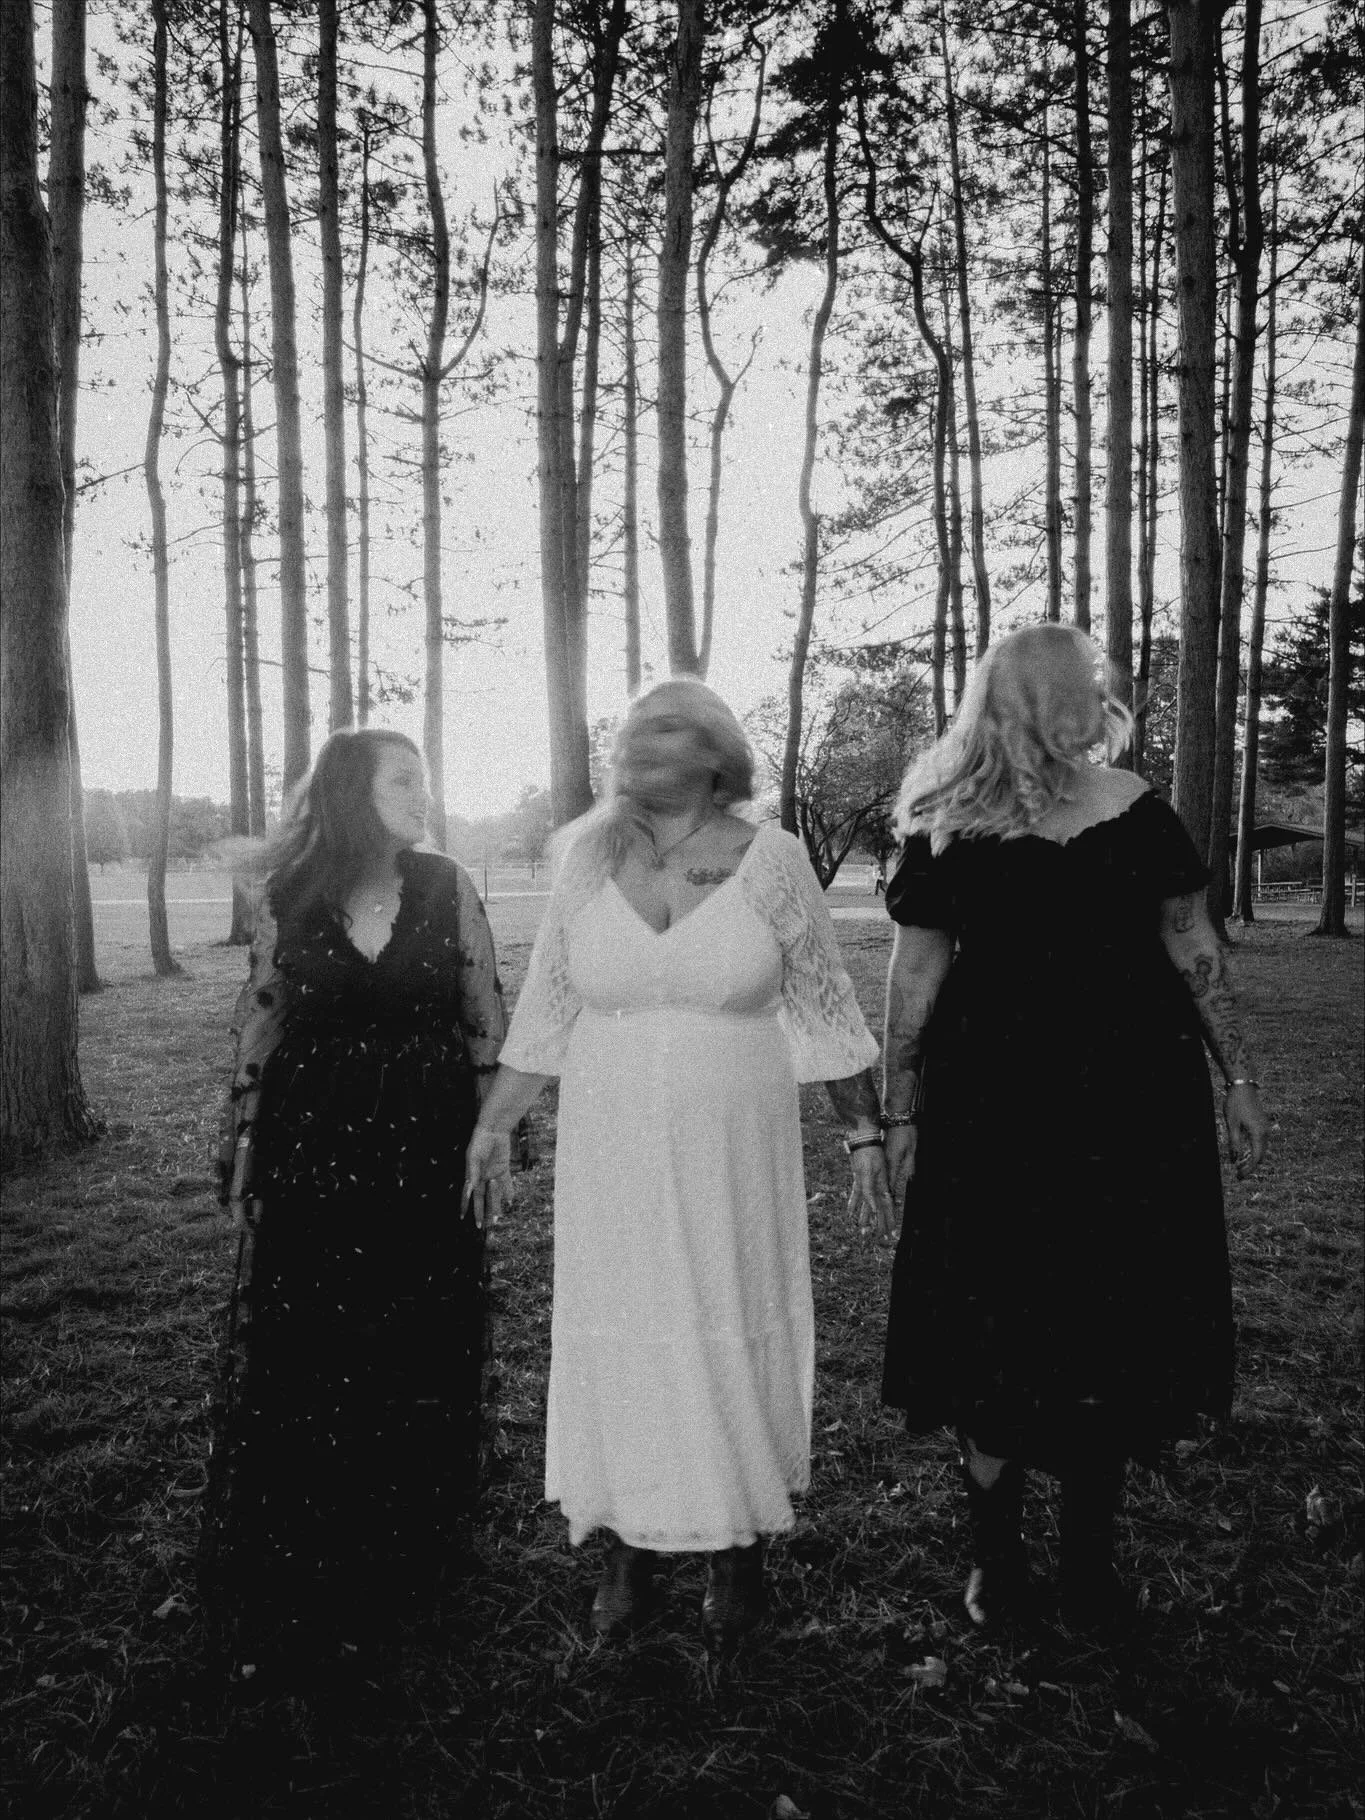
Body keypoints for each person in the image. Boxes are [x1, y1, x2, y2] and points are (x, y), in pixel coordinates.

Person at [462, 677, 895, 1653]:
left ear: (715, 751)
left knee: (724, 1312)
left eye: (667, 725)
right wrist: (494, 1126)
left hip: (734, 1136)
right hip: (610, 1135)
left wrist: (863, 1134)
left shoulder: (773, 860)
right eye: (630, 728)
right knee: (626, 1321)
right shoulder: (584, 854)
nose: (640, 742)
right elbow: (546, 1014)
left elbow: (826, 1011)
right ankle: (625, 1547)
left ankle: (736, 1542)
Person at [878, 623, 1269, 1632]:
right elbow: (916, 971)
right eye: (1072, 687)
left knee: (1109, 1322)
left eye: (1093, 688)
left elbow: (1192, 946)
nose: (1091, 703)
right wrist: (903, 1099)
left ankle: (1089, 1565)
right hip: (989, 1113)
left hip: (1128, 1107)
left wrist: (1239, 1076)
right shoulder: (947, 819)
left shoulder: (1137, 812)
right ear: (1025, 698)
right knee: (989, 1321)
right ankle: (995, 1559)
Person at [203, 728, 509, 1665]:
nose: (423, 793)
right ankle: (314, 1532)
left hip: (423, 1135)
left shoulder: (447, 882)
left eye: (426, 775)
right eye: (403, 779)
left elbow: (484, 1015)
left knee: (416, 1324)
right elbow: (263, 1019)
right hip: (316, 1137)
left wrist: (494, 1140)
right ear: (351, 790)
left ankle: (410, 1536)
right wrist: (245, 1140)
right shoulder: (288, 894)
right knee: (314, 1329)